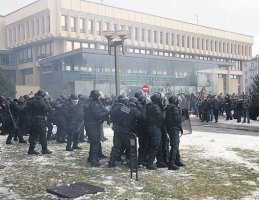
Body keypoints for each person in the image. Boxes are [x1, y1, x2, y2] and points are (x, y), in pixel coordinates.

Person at [108, 96, 142, 168]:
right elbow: (141, 117)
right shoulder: (134, 109)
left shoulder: (124, 108)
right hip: (127, 131)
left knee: (116, 146)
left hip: (118, 129)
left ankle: (111, 162)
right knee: (131, 147)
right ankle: (133, 164)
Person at [84, 90, 109, 167]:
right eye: (99, 96)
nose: (100, 97)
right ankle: (94, 161)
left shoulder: (90, 102)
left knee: (94, 141)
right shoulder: (93, 104)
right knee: (95, 142)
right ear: (96, 96)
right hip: (92, 125)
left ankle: (91, 157)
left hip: (90, 124)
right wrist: (106, 112)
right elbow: (98, 115)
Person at [27, 90, 52, 155]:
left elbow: (27, 107)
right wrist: (47, 102)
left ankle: (31, 149)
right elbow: (47, 109)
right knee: (43, 135)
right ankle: (44, 149)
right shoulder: (42, 101)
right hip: (40, 120)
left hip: (32, 119)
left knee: (33, 135)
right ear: (43, 95)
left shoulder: (32, 100)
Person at [165, 95, 185, 170]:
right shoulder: (174, 108)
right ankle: (172, 163)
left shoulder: (168, 107)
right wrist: (182, 117)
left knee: (176, 143)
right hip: (174, 128)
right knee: (175, 145)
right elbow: (177, 119)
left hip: (170, 128)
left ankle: (177, 160)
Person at [145, 92, 164, 170]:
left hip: (151, 127)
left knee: (158, 145)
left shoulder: (149, 106)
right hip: (155, 128)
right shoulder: (155, 107)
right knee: (155, 145)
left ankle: (159, 161)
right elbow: (160, 117)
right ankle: (150, 163)